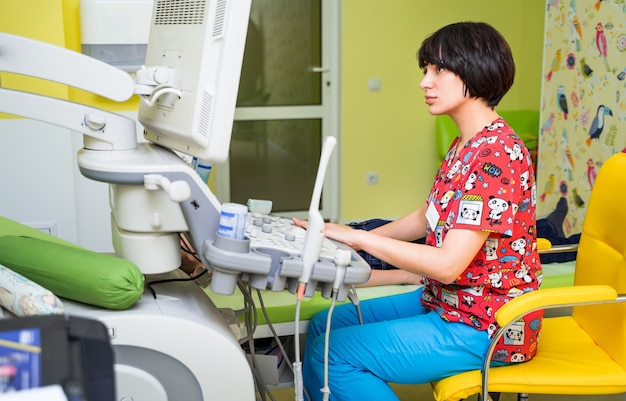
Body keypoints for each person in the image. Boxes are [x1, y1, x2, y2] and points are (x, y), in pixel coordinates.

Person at [293, 21, 543, 401]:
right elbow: (428, 214)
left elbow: (447, 264)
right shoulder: (467, 145)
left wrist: (360, 238)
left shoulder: (497, 154)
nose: (425, 82)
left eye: (438, 70)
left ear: (475, 69)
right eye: (426, 70)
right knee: (323, 325)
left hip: (487, 324)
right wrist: (346, 238)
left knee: (334, 353)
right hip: (447, 302)